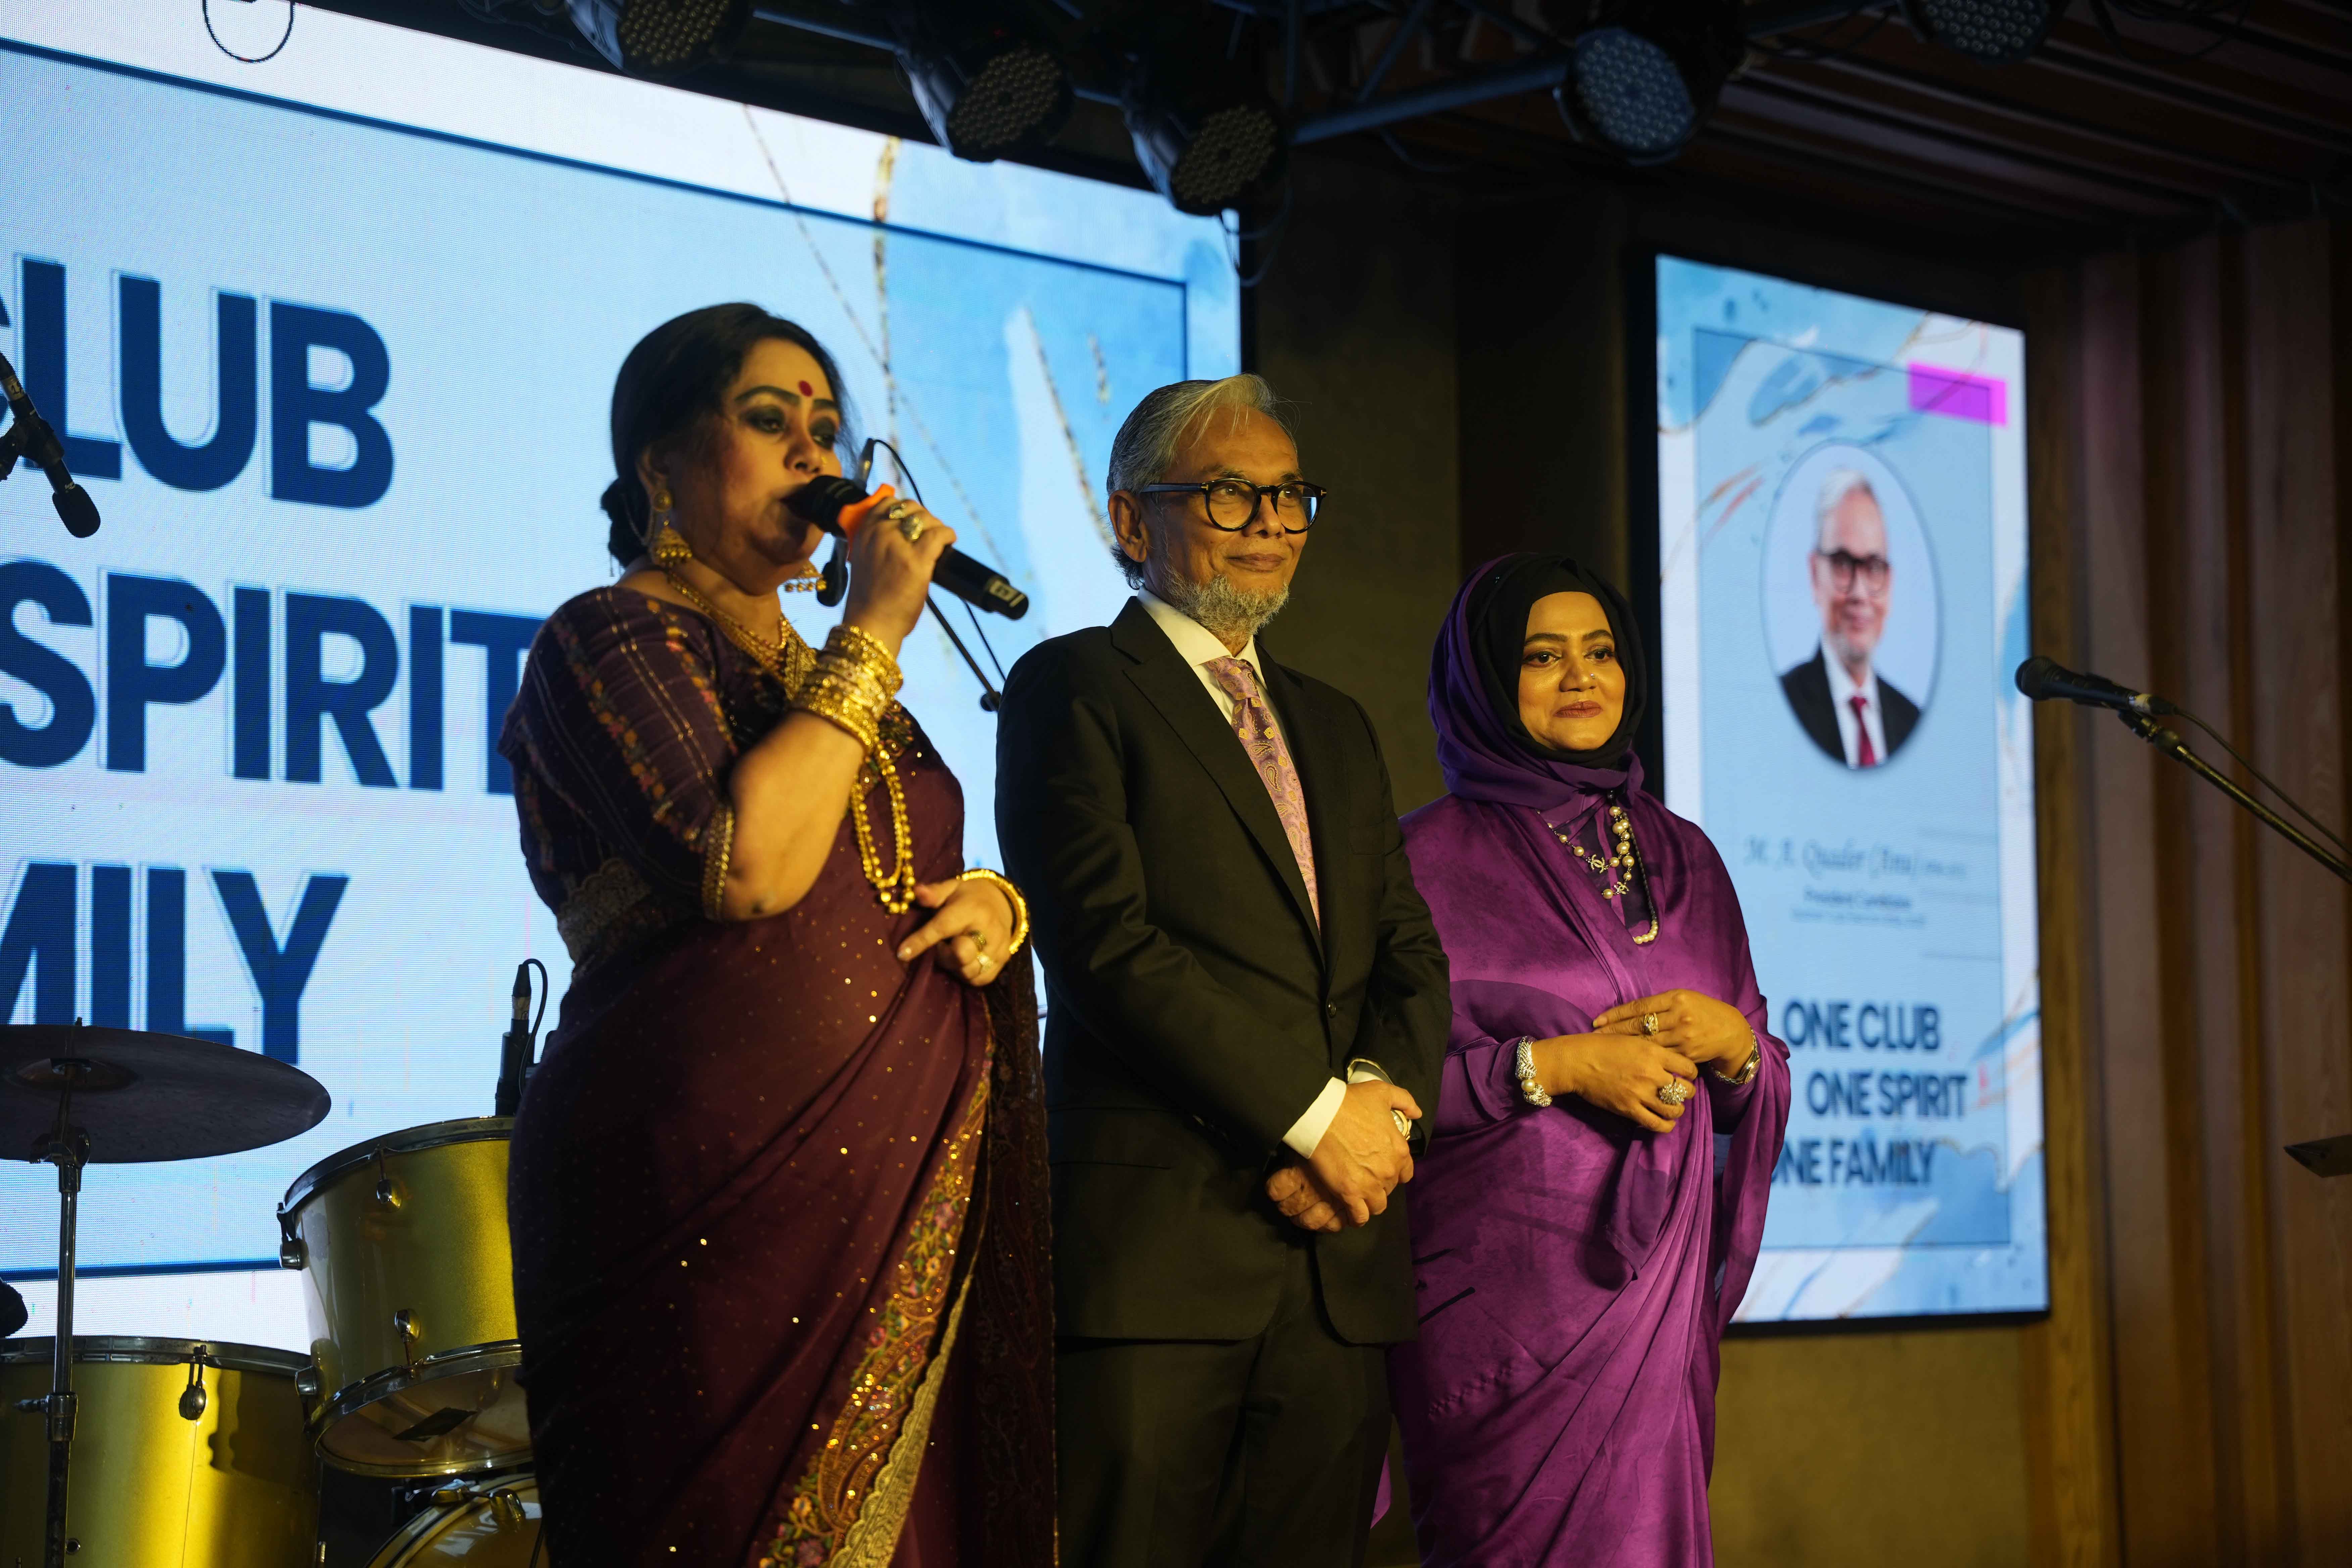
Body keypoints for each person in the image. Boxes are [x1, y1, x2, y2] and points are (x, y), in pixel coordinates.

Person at [497, 303, 1053, 1566]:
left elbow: (893, 865)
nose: (814, 452)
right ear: (661, 465)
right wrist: (874, 632)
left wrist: (992, 906)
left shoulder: (831, 674)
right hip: (697, 1198)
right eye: (768, 419)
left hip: (893, 1197)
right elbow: (745, 867)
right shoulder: (608, 636)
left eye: (826, 426)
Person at [995, 374, 1450, 1568]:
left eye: (1289, 495)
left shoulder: (1334, 721)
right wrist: (1314, 1122)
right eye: (1230, 494)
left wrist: (1378, 1111)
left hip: (1336, 1263)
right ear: (1130, 519)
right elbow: (1103, 945)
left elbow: (1406, 950)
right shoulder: (1074, 685)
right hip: (1159, 1264)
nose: (1270, 522)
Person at [1391, 555, 1791, 1567]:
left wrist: (1737, 1049)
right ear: (1486, 678)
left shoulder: (1688, 856)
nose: (1580, 677)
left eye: (1600, 651)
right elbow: (1377, 1091)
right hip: (1501, 1311)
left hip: (1652, 1306)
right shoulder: (1417, 860)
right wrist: (1553, 1068)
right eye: (1541, 656)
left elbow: (1752, 1063)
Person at [1779, 468, 1919, 767]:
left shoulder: (1911, 722)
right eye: (1843, 564)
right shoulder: (1782, 704)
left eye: (1874, 567)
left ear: (1890, 582)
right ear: (1815, 574)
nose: (1859, 592)